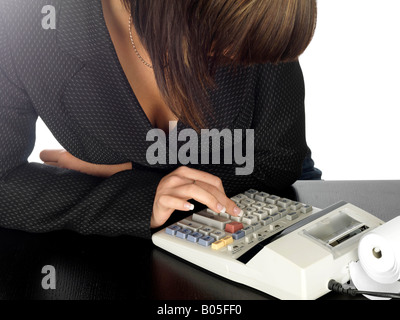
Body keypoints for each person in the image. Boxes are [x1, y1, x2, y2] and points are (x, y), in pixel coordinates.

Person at [0, 0, 318, 239]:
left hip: (266, 205)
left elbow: (278, 162)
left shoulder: (261, 11)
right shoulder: (25, 22)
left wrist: (127, 172)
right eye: (217, 43)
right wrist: (140, 199)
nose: (234, 61)